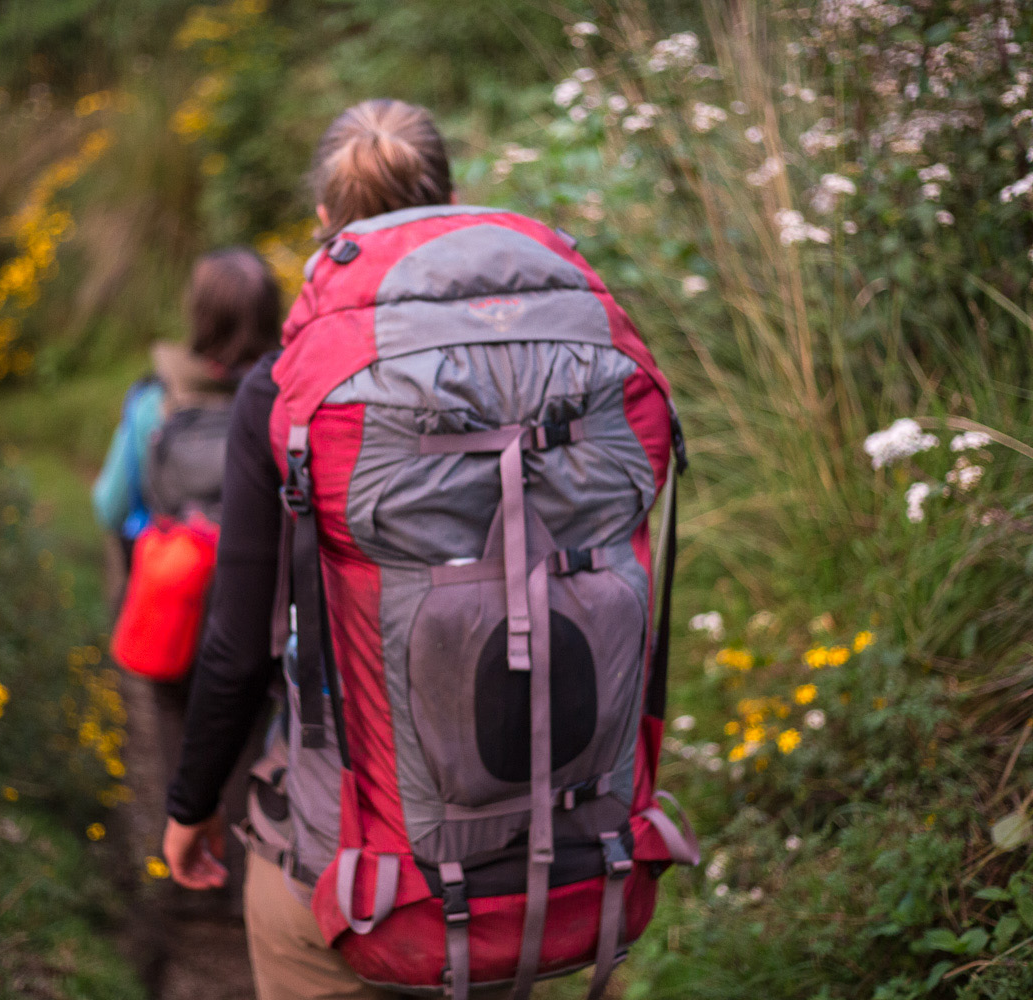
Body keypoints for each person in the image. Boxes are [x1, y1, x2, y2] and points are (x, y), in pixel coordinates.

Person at [163, 99, 686, 1000]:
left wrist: (191, 806)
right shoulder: (564, 365)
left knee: (289, 922)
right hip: (555, 862)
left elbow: (238, 647)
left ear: (326, 224)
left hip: (361, 876)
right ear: (446, 204)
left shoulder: (286, 389)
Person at [92, 247, 282, 906]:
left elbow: (110, 504)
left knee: (180, 730)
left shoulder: (155, 399)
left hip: (176, 597)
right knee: (255, 733)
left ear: (196, 315)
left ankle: (187, 874)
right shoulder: (288, 396)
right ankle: (250, 882)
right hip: (262, 605)